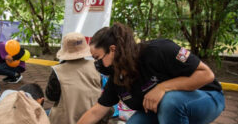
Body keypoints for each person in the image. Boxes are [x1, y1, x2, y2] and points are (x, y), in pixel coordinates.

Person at [77, 23, 225, 124]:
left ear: (113, 50)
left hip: (207, 97)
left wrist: (163, 88)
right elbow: (96, 111)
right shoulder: (117, 78)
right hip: (159, 110)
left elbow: (206, 75)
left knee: (171, 102)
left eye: (97, 58)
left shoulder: (158, 50)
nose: (97, 64)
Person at [45, 32, 102, 124]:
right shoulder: (97, 66)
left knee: (44, 113)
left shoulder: (58, 70)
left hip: (66, 119)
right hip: (92, 118)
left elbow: (51, 97)